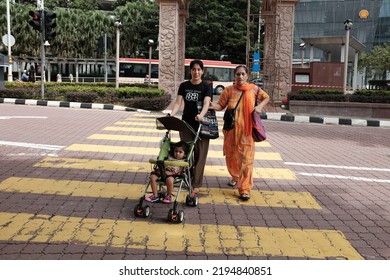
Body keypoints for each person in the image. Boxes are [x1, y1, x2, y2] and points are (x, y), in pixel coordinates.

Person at [210, 65, 270, 201]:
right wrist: (212, 106)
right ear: (234, 76)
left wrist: (259, 107)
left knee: (246, 161)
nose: (240, 77)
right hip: (231, 132)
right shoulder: (229, 90)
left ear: (247, 76)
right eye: (238, 74)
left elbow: (266, 97)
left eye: (243, 74)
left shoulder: (253, 89)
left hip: (247, 133)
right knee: (231, 157)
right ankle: (235, 176)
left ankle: (244, 189)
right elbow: (221, 105)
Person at [170, 59, 212, 194]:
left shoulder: (206, 86)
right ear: (190, 71)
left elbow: (207, 103)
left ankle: (196, 183)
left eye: (199, 69)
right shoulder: (184, 85)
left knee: (200, 155)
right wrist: (172, 114)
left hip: (202, 125)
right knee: (185, 153)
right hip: (186, 124)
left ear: (202, 71)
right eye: (194, 69)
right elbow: (178, 103)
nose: (196, 72)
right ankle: (185, 177)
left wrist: (201, 115)